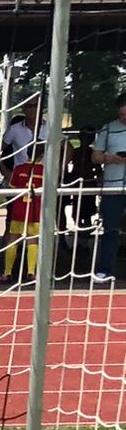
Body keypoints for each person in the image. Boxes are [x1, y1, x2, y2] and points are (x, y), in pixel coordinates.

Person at [90, 91, 126, 286]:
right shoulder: (108, 129)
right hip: (113, 186)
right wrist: (110, 158)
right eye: (121, 114)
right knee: (110, 229)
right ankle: (104, 269)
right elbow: (95, 156)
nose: (124, 118)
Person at [2, 152, 46, 284]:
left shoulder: (19, 169)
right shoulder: (44, 170)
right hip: (34, 211)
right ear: (42, 154)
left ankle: (7, 272)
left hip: (19, 209)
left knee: (13, 239)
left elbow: (13, 187)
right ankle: (31, 272)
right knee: (32, 240)